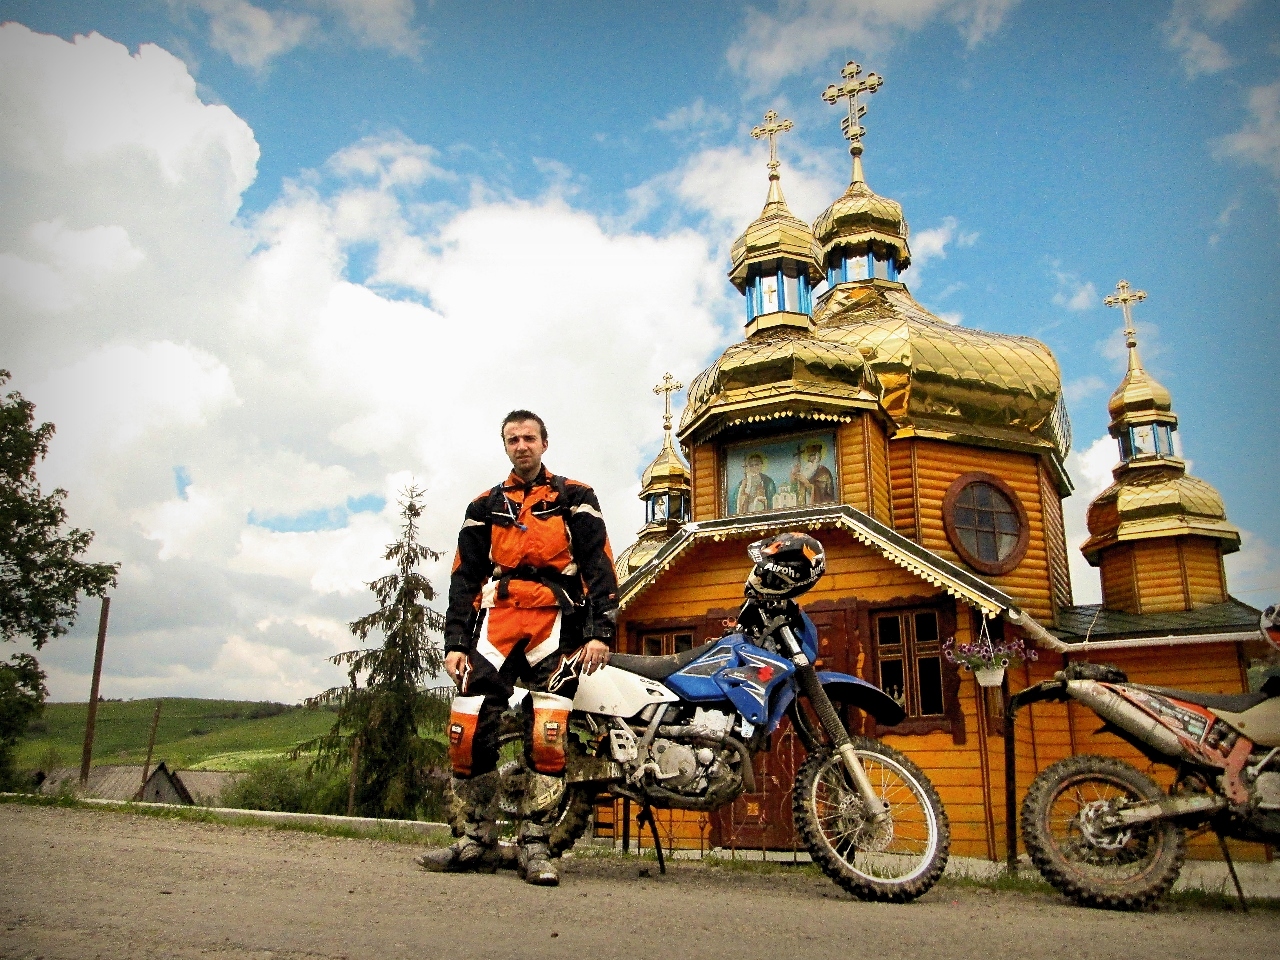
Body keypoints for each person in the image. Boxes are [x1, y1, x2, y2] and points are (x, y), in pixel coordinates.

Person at [418, 410, 618, 886]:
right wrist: (455, 642)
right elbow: (464, 577)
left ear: (544, 443)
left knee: (548, 732)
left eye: (529, 437)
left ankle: (536, 845)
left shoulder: (576, 497)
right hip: (498, 619)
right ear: (505, 446)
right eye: (513, 439)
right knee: (467, 727)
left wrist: (600, 633)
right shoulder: (483, 505)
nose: (521, 445)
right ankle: (475, 839)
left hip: (557, 619)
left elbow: (599, 565)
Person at [792, 441, 835, 506]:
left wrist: (808, 485)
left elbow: (825, 491)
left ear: (817, 456)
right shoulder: (806, 469)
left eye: (812, 455)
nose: (809, 457)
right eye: (809, 455)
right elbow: (796, 488)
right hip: (804, 503)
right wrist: (794, 475)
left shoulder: (824, 471)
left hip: (819, 504)